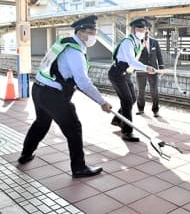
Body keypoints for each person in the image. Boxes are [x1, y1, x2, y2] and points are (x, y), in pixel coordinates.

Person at [18, 15, 112, 178]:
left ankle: (25, 155)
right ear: (80, 32)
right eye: (90, 31)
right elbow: (83, 81)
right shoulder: (74, 51)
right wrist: (102, 102)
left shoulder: (64, 42)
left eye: (95, 31)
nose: (94, 35)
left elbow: (57, 68)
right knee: (74, 129)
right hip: (52, 94)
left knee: (41, 123)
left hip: (39, 88)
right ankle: (79, 168)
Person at [109, 18, 155, 142]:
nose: (142, 31)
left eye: (144, 29)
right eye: (139, 28)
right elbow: (132, 61)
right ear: (132, 29)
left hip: (126, 74)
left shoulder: (138, 42)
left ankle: (117, 120)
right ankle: (127, 132)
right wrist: (146, 68)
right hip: (117, 73)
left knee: (131, 99)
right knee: (127, 101)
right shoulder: (128, 42)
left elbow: (133, 62)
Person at [136, 22, 164, 117]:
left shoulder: (154, 42)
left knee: (154, 91)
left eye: (146, 30)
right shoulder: (137, 42)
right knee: (141, 91)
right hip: (141, 70)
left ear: (149, 31)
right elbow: (134, 56)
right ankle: (140, 109)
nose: (145, 32)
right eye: (143, 30)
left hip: (153, 71)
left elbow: (159, 56)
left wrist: (161, 68)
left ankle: (155, 110)